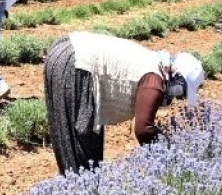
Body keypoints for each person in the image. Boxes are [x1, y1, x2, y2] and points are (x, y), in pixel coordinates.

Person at [43, 31, 205, 175]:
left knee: (79, 141)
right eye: (181, 93)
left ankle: (77, 190)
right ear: (177, 80)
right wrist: (172, 155)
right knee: (81, 145)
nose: (176, 98)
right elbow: (143, 130)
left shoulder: (156, 63)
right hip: (77, 63)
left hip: (67, 51)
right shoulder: (154, 82)